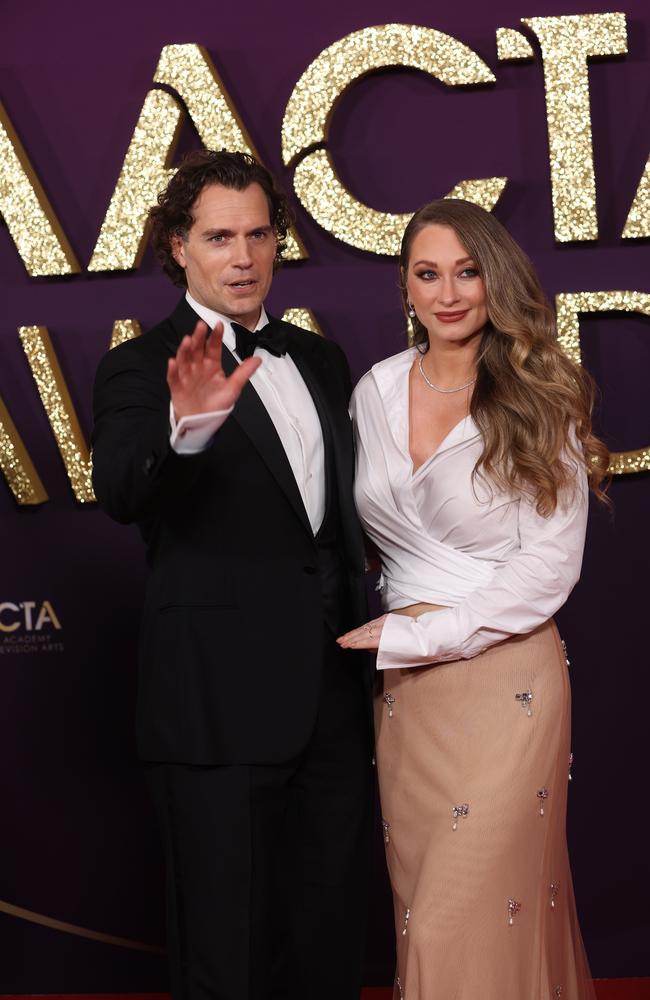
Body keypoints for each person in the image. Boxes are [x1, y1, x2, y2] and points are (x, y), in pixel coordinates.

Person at [92, 150, 373, 1000]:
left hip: (333, 700)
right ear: (178, 246)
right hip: (216, 714)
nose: (243, 257)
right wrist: (187, 429)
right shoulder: (141, 369)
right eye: (220, 237)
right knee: (228, 959)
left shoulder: (317, 361)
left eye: (259, 235)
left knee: (330, 946)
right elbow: (123, 490)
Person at [338, 198, 609, 999]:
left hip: (507, 682)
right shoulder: (376, 391)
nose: (450, 292)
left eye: (468, 272)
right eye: (429, 274)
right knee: (426, 908)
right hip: (409, 697)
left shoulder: (537, 394)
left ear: (496, 281)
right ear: (406, 288)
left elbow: (549, 569)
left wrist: (424, 633)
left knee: (475, 907)